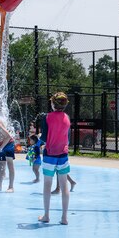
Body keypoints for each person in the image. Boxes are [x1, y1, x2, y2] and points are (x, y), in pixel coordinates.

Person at [38, 92, 71, 225]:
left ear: (52, 104)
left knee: (47, 185)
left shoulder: (47, 117)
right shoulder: (67, 117)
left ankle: (46, 215)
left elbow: (44, 138)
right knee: (64, 186)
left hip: (49, 155)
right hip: (63, 155)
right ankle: (64, 218)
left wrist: (40, 137)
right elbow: (67, 138)